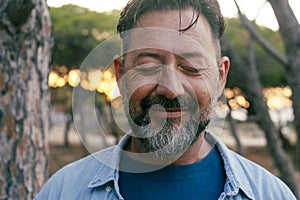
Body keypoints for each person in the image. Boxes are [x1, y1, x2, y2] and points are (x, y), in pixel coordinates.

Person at [35, 0, 296, 199]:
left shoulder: (272, 194)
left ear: (220, 78)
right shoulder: (63, 191)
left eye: (192, 67)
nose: (170, 89)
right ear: (121, 75)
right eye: (148, 66)